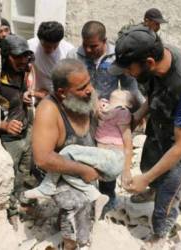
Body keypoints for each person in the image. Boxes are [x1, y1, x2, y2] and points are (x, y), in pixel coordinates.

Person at [109, 26, 181, 248]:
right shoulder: (156, 59)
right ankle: (152, 188)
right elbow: (154, 93)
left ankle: (160, 232)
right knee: (150, 159)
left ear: (149, 63)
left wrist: (143, 180)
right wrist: (137, 116)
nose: (128, 73)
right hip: (162, 120)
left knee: (169, 185)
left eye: (129, 69)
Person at [67, 20, 145, 212]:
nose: (88, 49)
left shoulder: (115, 58)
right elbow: (66, 84)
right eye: (85, 45)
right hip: (81, 114)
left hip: (108, 119)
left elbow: (129, 85)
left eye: (93, 46)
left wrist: (138, 110)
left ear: (104, 41)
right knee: (82, 155)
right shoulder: (74, 56)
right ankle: (85, 199)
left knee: (108, 159)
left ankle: (108, 200)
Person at [25, 89, 136, 220]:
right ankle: (95, 196)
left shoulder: (122, 113)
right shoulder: (107, 112)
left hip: (113, 158)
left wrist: (127, 170)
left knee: (67, 152)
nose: (109, 104)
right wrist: (98, 104)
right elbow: (100, 109)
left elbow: (128, 143)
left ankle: (47, 187)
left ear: (126, 107)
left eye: (116, 102)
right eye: (109, 100)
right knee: (68, 167)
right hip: (102, 160)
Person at [32, 58, 101, 250]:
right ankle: (70, 244)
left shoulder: (87, 93)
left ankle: (83, 236)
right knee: (75, 202)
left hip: (84, 164)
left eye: (89, 82)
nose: (89, 90)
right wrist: (83, 170)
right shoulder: (48, 110)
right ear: (62, 92)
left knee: (90, 203)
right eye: (81, 87)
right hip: (55, 171)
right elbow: (42, 158)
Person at [0, 34, 37, 229]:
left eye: (25, 56)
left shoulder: (23, 70)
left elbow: (23, 90)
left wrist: (26, 96)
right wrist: (4, 125)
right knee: (9, 176)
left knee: (23, 173)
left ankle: (18, 202)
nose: (22, 61)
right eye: (17, 57)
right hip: (8, 140)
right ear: (6, 56)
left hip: (25, 133)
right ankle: (10, 212)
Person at [27, 21, 74, 102]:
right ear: (39, 40)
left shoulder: (69, 52)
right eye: (46, 46)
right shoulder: (30, 46)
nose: (51, 50)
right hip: (36, 96)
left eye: (55, 46)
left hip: (59, 99)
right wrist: (33, 93)